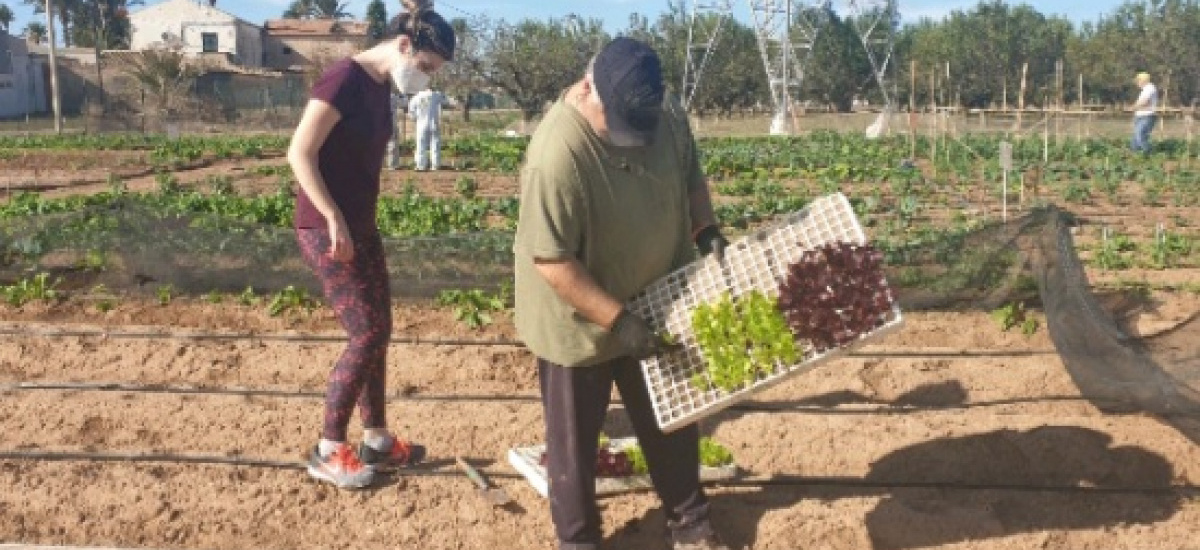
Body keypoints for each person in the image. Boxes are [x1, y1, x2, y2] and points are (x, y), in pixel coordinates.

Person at [513, 37, 732, 550]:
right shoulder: (558, 153)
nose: (634, 138)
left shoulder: (660, 110)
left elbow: (690, 173)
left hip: (657, 294)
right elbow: (552, 259)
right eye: (621, 126)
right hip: (577, 317)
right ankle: (580, 540)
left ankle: (690, 522)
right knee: (574, 444)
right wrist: (620, 321)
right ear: (590, 89)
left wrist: (706, 229)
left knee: (671, 416)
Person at [286, 0, 455, 489]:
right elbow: (300, 152)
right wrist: (333, 215)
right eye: (425, 67)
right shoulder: (344, 79)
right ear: (404, 46)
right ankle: (329, 448)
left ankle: (376, 439)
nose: (425, 78)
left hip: (360, 225)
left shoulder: (382, 86)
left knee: (381, 329)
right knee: (366, 334)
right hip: (326, 228)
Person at [408, 85, 450, 170]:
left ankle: (421, 165)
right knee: (435, 144)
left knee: (420, 144)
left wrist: (415, 118)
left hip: (421, 124)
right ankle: (435, 165)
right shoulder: (435, 95)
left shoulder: (416, 97)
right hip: (434, 123)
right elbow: (446, 101)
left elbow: (411, 111)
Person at [1131, 72, 1158, 155]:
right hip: (1140, 116)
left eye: (1138, 81)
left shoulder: (1150, 88)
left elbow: (1144, 102)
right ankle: (1135, 156)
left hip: (1147, 116)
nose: (1137, 83)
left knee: (1140, 135)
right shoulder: (1145, 90)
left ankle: (1149, 153)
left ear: (1143, 80)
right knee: (1135, 138)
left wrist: (1132, 107)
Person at [385, 88, 407, 170]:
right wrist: (403, 94)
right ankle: (392, 164)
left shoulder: (376, 95)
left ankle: (381, 164)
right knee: (392, 143)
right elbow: (404, 103)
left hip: (378, 123)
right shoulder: (392, 97)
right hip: (390, 122)